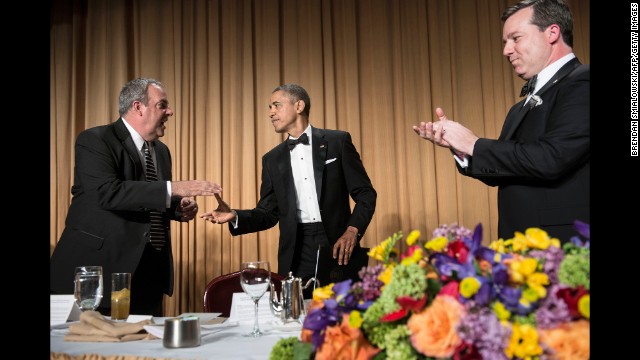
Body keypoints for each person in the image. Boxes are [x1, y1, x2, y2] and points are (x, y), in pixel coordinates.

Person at [412, 0, 589, 243]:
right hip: (518, 247)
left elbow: (552, 159)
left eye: (515, 38)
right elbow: (508, 169)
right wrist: (461, 147)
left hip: (563, 245)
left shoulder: (584, 82)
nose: (506, 50)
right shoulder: (518, 108)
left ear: (552, 33)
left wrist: (474, 144)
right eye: (505, 42)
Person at [50, 78, 222, 316]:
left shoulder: (161, 151)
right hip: (100, 273)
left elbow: (146, 201)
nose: (170, 111)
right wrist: (174, 189)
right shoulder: (95, 140)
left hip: (148, 275)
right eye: (162, 105)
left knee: (145, 351)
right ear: (138, 106)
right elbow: (106, 192)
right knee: (96, 351)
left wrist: (177, 207)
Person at [201, 84, 376, 295]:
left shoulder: (337, 141)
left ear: (299, 105)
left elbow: (366, 193)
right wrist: (234, 216)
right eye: (269, 107)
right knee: (296, 320)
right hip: (296, 251)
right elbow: (268, 213)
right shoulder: (271, 159)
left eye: (276, 105)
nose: (270, 112)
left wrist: (352, 230)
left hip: (339, 246)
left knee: (345, 317)